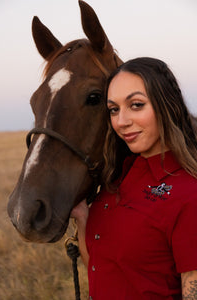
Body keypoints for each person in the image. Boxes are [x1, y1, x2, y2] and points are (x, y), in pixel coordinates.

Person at [71, 57, 197, 300]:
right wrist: (83, 217)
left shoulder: (189, 194)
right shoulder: (114, 181)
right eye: (114, 109)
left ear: (167, 105)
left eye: (136, 105)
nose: (121, 122)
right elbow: (104, 268)